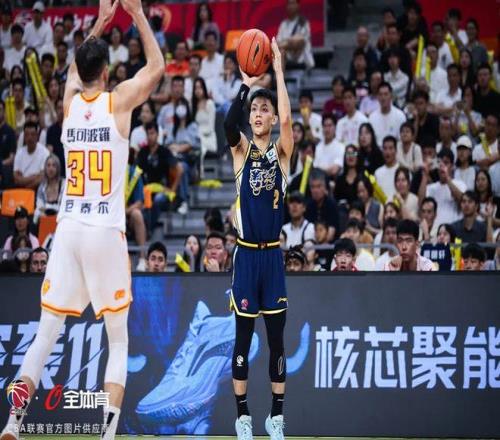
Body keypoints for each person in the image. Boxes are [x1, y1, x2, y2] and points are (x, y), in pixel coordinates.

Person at [0, 2, 164, 440]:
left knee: (45, 335)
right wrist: (135, 14)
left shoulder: (68, 105)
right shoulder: (119, 102)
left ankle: (14, 422)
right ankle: (107, 434)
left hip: (68, 230)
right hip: (104, 231)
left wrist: (102, 22)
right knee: (118, 340)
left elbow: (76, 69)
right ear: (107, 72)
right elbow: (157, 67)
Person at [223, 37, 292, 437]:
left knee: (277, 341)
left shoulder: (282, 153)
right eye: (255, 109)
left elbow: (289, 121)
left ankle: (276, 417)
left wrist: (278, 71)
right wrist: (246, 85)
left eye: (266, 108)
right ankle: (243, 417)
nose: (260, 113)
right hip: (247, 256)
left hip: (273, 257)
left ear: (273, 117)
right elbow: (227, 124)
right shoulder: (241, 152)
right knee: (244, 340)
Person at [421, 148, 466, 226]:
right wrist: (425, 175)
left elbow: (462, 201)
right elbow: (420, 204)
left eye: (446, 163)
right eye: (439, 163)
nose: (442, 166)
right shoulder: (431, 187)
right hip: (435, 230)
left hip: (453, 228)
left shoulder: (460, 184)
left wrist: (447, 178)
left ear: (452, 166)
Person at [276, 0, 314, 69]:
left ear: (298, 6)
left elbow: (298, 43)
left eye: (293, 3)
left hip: (302, 62)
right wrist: (286, 43)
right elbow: (277, 44)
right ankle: (279, 76)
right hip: (287, 61)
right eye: (289, 4)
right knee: (280, 52)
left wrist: (284, 44)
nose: (290, 6)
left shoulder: (303, 22)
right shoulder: (283, 24)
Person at [13, 121, 50, 189]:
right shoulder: (19, 153)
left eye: (32, 134)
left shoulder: (45, 152)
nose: (30, 138)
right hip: (20, 189)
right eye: (27, 135)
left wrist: (24, 182)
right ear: (24, 136)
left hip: (38, 189)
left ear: (37, 136)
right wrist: (34, 176)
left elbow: (42, 178)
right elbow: (16, 178)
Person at [368, 82, 406, 146]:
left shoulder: (400, 116)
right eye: (380, 95)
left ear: (391, 96)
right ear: (377, 97)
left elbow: (402, 140)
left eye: (386, 94)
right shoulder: (372, 118)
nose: (383, 98)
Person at [305, 170, 339, 242]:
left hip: (329, 244)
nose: (315, 190)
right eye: (313, 187)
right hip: (311, 242)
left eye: (319, 186)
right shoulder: (308, 206)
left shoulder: (332, 204)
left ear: (324, 187)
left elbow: (331, 232)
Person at [192, 77, 217, 174]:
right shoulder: (193, 105)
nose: (198, 91)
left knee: (199, 146)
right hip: (197, 137)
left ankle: (200, 173)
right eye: (196, 88)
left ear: (204, 89)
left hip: (208, 138)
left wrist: (198, 134)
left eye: (200, 88)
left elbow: (211, 127)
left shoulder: (210, 104)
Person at [34, 154, 65, 224]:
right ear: (45, 168)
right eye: (48, 165)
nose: (51, 169)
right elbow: (39, 208)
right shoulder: (42, 187)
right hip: (45, 220)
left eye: (54, 165)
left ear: (58, 168)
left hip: (60, 221)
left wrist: (48, 209)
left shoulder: (64, 185)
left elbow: (64, 207)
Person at [313, 114, 345, 179]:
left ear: (335, 127)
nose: (327, 129)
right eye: (325, 126)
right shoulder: (318, 147)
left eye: (330, 126)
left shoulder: (341, 147)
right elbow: (313, 167)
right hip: (316, 180)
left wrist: (318, 171)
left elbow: (334, 170)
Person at [375, 135, 399, 200]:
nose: (387, 152)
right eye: (385, 148)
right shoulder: (377, 173)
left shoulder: (403, 170)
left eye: (390, 148)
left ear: (396, 150)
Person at [0, 99, 16, 187]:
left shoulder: (10, 132)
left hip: (4, 170)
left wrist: (1, 164)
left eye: (0, 109)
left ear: (4, 112)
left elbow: (12, 158)